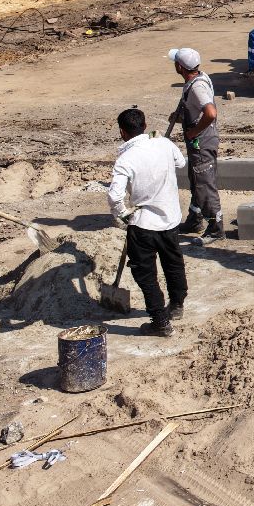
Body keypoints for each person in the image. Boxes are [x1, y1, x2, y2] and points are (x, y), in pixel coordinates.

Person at [107, 107, 188, 336]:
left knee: (145, 274)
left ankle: (160, 321)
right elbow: (181, 163)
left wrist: (122, 214)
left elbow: (114, 196)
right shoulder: (163, 144)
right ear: (144, 126)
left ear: (122, 132)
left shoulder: (126, 158)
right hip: (170, 218)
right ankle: (177, 304)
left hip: (143, 224)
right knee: (173, 263)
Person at [168, 48, 223, 244]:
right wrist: (182, 116)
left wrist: (193, 131)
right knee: (196, 179)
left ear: (180, 66)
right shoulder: (197, 78)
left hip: (202, 140)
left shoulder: (198, 87)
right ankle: (195, 218)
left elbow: (210, 113)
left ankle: (216, 228)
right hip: (200, 140)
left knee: (204, 182)